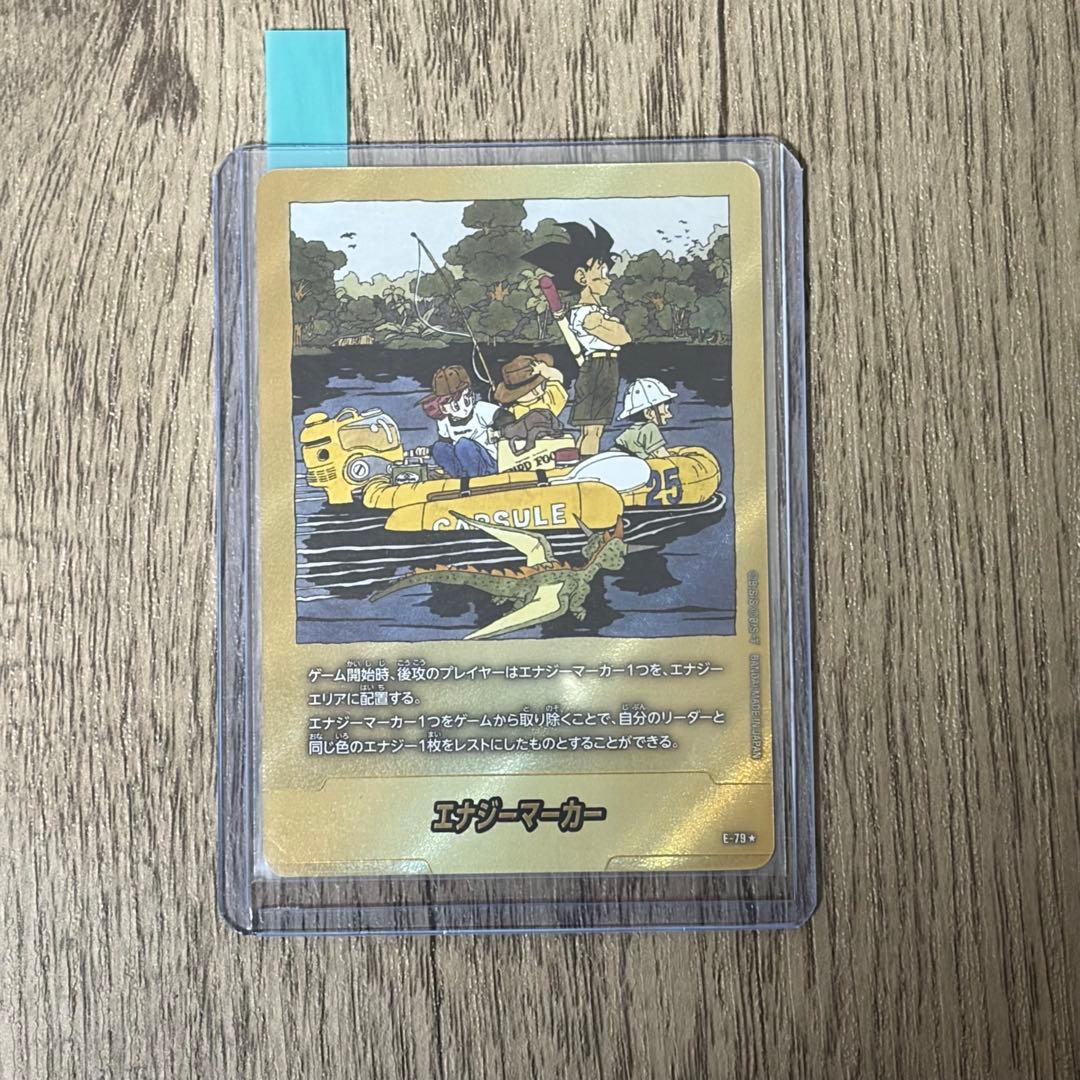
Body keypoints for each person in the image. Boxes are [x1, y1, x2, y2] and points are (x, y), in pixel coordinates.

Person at [525, 221, 631, 457]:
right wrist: (613, 326)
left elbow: (622, 335)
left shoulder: (597, 313)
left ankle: (585, 460)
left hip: (606, 367)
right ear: (582, 277)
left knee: (596, 428)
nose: (607, 279)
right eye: (601, 273)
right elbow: (621, 337)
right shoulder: (586, 315)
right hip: (597, 367)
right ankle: (587, 463)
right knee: (592, 428)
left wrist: (612, 326)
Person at [420, 365, 499, 478]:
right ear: (443, 407)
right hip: (463, 466)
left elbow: (505, 418)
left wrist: (499, 432)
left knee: (464, 445)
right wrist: (428, 450)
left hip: (488, 466)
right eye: (455, 405)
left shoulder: (480, 409)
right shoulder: (444, 421)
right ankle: (456, 477)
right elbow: (446, 444)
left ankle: (474, 479)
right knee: (439, 447)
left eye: (468, 396)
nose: (465, 406)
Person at [614, 378, 677, 460]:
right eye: (666, 410)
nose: (670, 415)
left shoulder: (631, 430)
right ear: (648, 413)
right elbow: (662, 455)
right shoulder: (649, 428)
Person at [493, 353, 568, 419]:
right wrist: (546, 371)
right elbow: (556, 380)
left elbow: (556, 381)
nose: (536, 392)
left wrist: (545, 371)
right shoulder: (548, 402)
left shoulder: (513, 411)